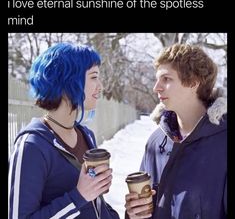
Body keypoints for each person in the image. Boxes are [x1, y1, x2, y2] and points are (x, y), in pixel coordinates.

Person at [8, 42, 120, 219]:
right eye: (93, 77)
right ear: (69, 81)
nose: (100, 86)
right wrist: (79, 196)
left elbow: (95, 206)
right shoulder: (31, 146)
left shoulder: (86, 135)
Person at [125, 43, 227, 219]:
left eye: (166, 79)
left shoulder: (223, 142)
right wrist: (133, 213)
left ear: (193, 83)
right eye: (157, 79)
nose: (156, 87)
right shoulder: (156, 142)